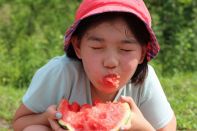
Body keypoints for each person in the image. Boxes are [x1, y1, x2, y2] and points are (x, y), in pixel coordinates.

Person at [13, 0, 176, 131]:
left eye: (125, 49)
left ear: (142, 52)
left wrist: (141, 127)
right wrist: (45, 118)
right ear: (78, 47)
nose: (111, 62)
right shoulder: (60, 73)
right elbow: (20, 122)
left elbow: (167, 127)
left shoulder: (145, 79)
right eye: (97, 48)